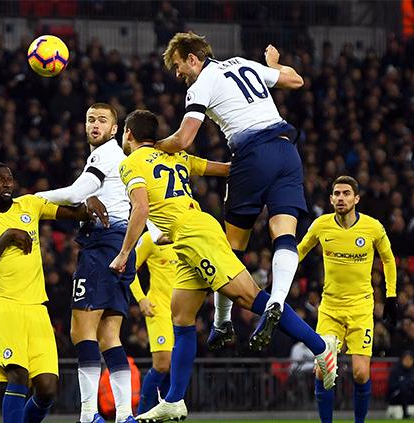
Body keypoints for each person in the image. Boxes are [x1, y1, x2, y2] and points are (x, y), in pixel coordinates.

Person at [110, 110, 338, 423]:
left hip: (196, 236)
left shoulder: (130, 162)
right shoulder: (176, 156)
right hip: (188, 235)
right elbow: (227, 169)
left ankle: (320, 346)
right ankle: (175, 400)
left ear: (128, 134)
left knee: (251, 298)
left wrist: (124, 254)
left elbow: (141, 208)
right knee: (181, 314)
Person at [155, 32, 306, 350]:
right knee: (284, 233)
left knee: (232, 246)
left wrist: (151, 146)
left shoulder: (201, 84)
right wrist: (273, 66)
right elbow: (296, 81)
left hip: (253, 157)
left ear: (193, 59)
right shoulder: (244, 64)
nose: (179, 74)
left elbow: (183, 140)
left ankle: (222, 322)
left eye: (180, 66)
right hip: (287, 152)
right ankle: (277, 300)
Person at [0, 162, 107, 423]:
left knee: (48, 388)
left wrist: (90, 202)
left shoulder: (29, 204)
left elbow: (74, 212)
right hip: (6, 305)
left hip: (37, 308)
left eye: (9, 178)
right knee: (18, 374)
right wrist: (7, 236)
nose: (6, 183)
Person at [35, 103, 137, 423]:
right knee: (109, 336)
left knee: (81, 331)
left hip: (101, 246)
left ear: (114, 129)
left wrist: (34, 199)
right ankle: (124, 415)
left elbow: (79, 190)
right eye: (90, 119)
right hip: (121, 245)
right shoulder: (120, 161)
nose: (95, 125)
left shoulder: (104, 154)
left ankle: (89, 414)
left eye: (102, 120)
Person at [297, 175, 398, 423]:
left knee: (361, 374)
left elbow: (388, 259)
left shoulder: (373, 227)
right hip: (330, 308)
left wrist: (391, 295)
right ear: (331, 199)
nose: (341, 198)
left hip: (361, 308)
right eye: (337, 194)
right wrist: (279, 276)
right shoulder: (321, 225)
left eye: (346, 194)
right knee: (323, 371)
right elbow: (300, 250)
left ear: (356, 198)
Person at [128, 230, 178, 414]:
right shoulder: (150, 238)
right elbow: (129, 268)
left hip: (182, 312)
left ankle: (166, 413)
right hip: (159, 310)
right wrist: (141, 299)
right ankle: (141, 413)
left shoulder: (184, 235)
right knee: (162, 364)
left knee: (174, 367)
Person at [387, 351, 414, 419]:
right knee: (403, 389)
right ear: (402, 360)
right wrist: (405, 383)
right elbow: (391, 385)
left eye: (410, 359)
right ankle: (405, 414)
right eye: (406, 359)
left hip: (410, 396)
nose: (408, 361)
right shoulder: (396, 371)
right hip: (397, 397)